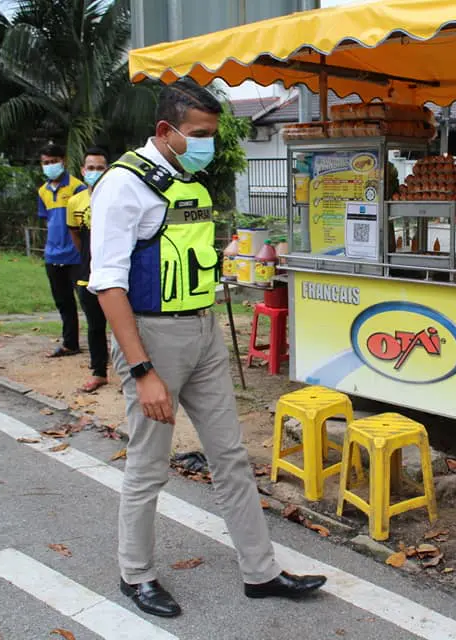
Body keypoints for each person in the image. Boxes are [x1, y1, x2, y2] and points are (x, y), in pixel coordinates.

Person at [89, 78, 326, 618]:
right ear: (165, 131)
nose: (207, 145)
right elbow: (107, 284)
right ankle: (136, 575)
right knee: (149, 464)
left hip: (202, 329)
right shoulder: (123, 185)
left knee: (232, 457)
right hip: (152, 336)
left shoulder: (183, 180)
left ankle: (260, 572)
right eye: (198, 134)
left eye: (213, 135)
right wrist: (143, 370)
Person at [66, 147, 110, 392]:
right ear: (83, 171)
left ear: (108, 170)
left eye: (100, 168)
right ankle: (99, 372)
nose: (95, 172)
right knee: (95, 325)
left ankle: (131, 374)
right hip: (87, 273)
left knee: (126, 325)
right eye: (90, 168)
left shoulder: (117, 198)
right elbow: (76, 234)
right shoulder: (75, 202)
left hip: (115, 272)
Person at [37, 142, 86, 357]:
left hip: (76, 255)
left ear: (63, 161)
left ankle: (101, 344)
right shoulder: (43, 191)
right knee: (63, 302)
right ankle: (70, 343)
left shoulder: (77, 187)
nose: (50, 166)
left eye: (53, 161)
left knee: (88, 301)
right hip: (53, 254)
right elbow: (46, 220)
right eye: (45, 163)